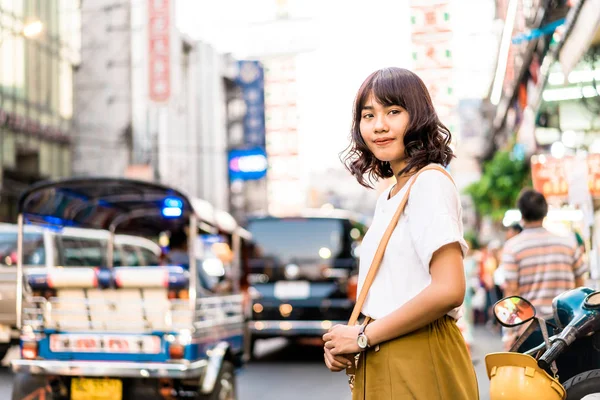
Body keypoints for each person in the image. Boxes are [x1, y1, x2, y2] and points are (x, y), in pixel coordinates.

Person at [322, 67, 478, 399]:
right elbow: (392, 290)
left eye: (393, 111)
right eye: (369, 115)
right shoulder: (389, 197)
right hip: (386, 353)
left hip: (418, 354)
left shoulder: (429, 183)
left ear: (417, 117)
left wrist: (364, 337)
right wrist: (353, 337)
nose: (379, 125)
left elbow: (450, 289)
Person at [501, 189, 587, 346]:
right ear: (545, 211)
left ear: (521, 213)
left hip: (530, 331)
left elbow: (511, 292)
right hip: (567, 329)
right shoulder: (568, 243)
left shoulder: (512, 247)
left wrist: (509, 334)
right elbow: (580, 286)